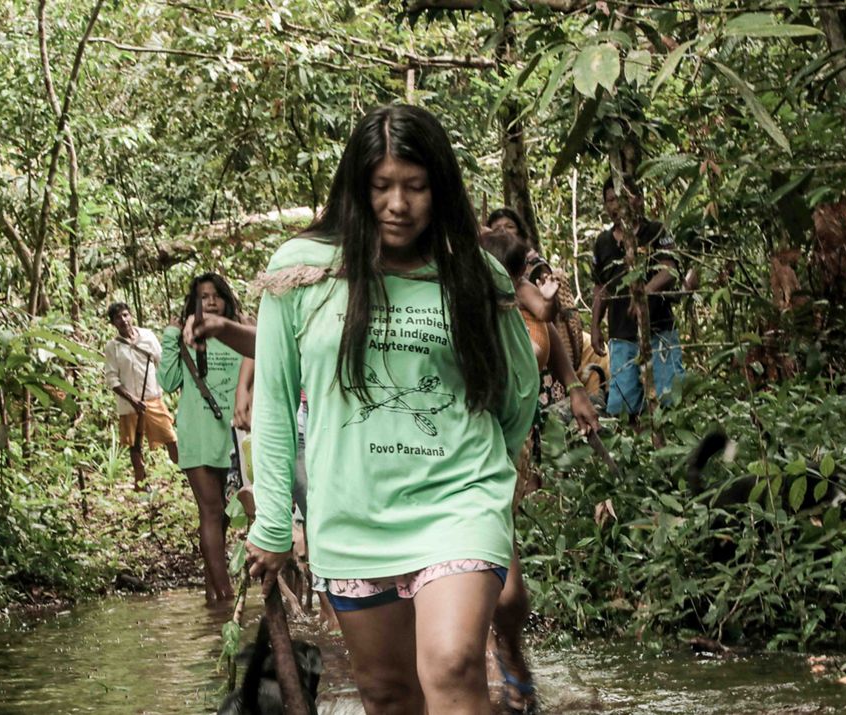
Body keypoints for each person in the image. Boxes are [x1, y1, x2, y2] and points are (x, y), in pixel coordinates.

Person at [245, 105, 539, 715]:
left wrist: (488, 472)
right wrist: (273, 524)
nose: (397, 204)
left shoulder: (475, 274)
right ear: (357, 188)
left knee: (452, 665)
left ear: (441, 188)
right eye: (381, 186)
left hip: (457, 498)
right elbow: (273, 399)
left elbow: (517, 392)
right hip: (353, 514)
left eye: (415, 186)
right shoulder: (301, 271)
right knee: (387, 694)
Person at [479, 225, 599, 714]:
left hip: (508, 450)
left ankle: (508, 659)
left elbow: (547, 321)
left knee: (511, 599)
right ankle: (490, 673)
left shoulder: (516, 301)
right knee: (497, 590)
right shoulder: (456, 293)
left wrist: (575, 388)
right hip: (463, 454)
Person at [158, 273, 245, 605]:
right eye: (203, 296)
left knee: (225, 515)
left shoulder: (238, 334)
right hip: (198, 433)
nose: (210, 302)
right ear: (194, 303)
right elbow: (168, 382)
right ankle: (226, 597)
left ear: (226, 299)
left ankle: (213, 594)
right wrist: (171, 334)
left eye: (216, 295)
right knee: (211, 511)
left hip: (234, 434)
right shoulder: (186, 336)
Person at [591, 178, 685, 422]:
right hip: (622, 334)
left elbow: (670, 269)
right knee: (623, 406)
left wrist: (644, 292)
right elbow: (601, 287)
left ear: (638, 200)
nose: (615, 205)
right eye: (610, 200)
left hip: (659, 330)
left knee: (669, 400)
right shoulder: (603, 243)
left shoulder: (654, 231)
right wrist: (595, 326)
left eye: (622, 198)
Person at [102, 302, 178, 490]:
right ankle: (141, 483)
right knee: (135, 445)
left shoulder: (147, 336)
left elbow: (162, 361)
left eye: (125, 315)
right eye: (118, 318)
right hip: (129, 404)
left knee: (170, 437)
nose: (123, 320)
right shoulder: (112, 347)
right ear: (113, 323)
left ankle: (183, 474)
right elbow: (111, 378)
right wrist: (132, 400)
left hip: (153, 398)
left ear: (131, 316)